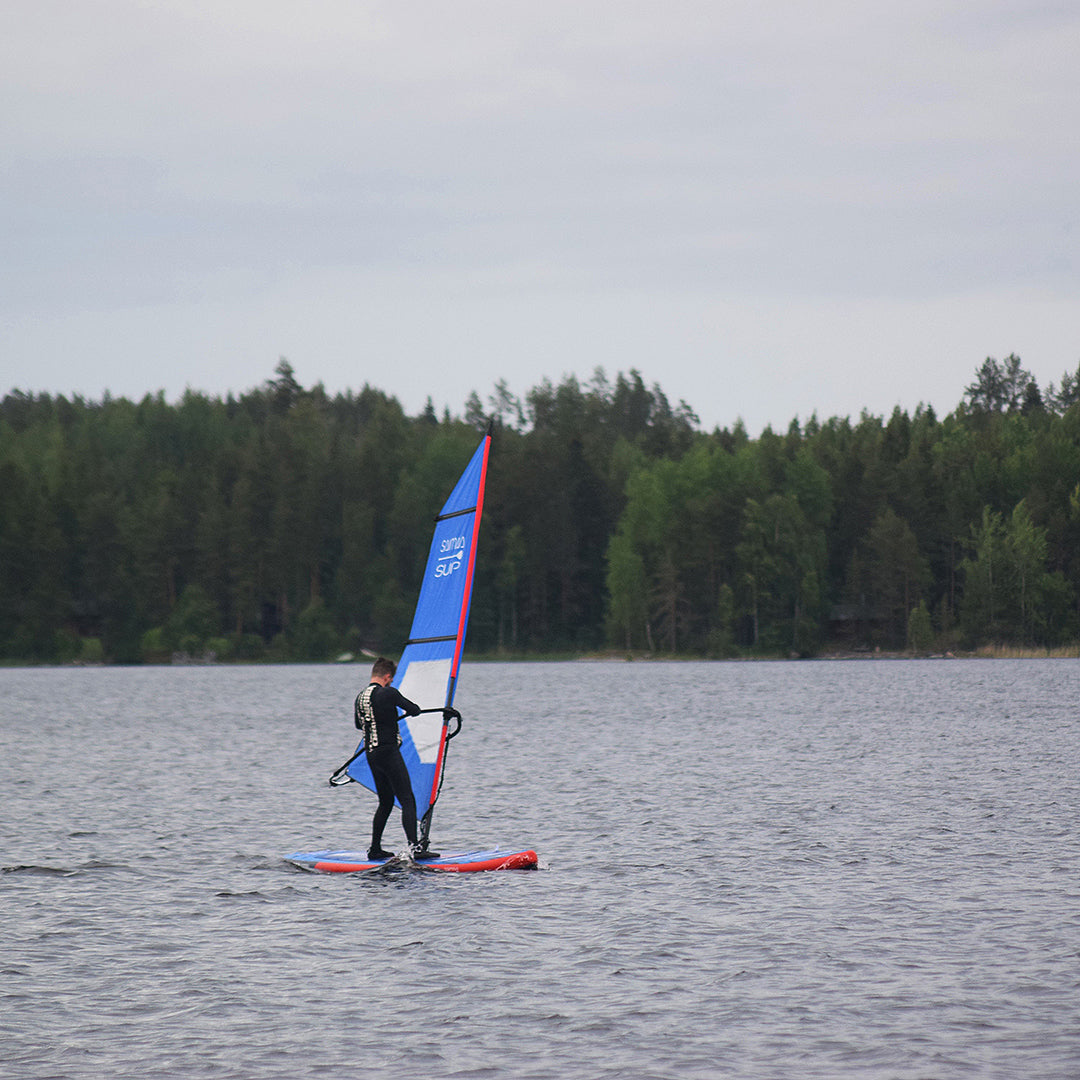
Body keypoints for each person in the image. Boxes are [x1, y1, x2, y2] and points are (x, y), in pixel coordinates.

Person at [355, 657, 439, 861]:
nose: (391, 683)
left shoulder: (360, 697)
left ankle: (375, 848)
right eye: (390, 680)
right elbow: (414, 709)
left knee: (385, 801)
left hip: (372, 754)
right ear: (387, 677)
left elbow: (360, 725)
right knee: (407, 799)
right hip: (389, 752)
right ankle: (415, 848)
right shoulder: (389, 693)